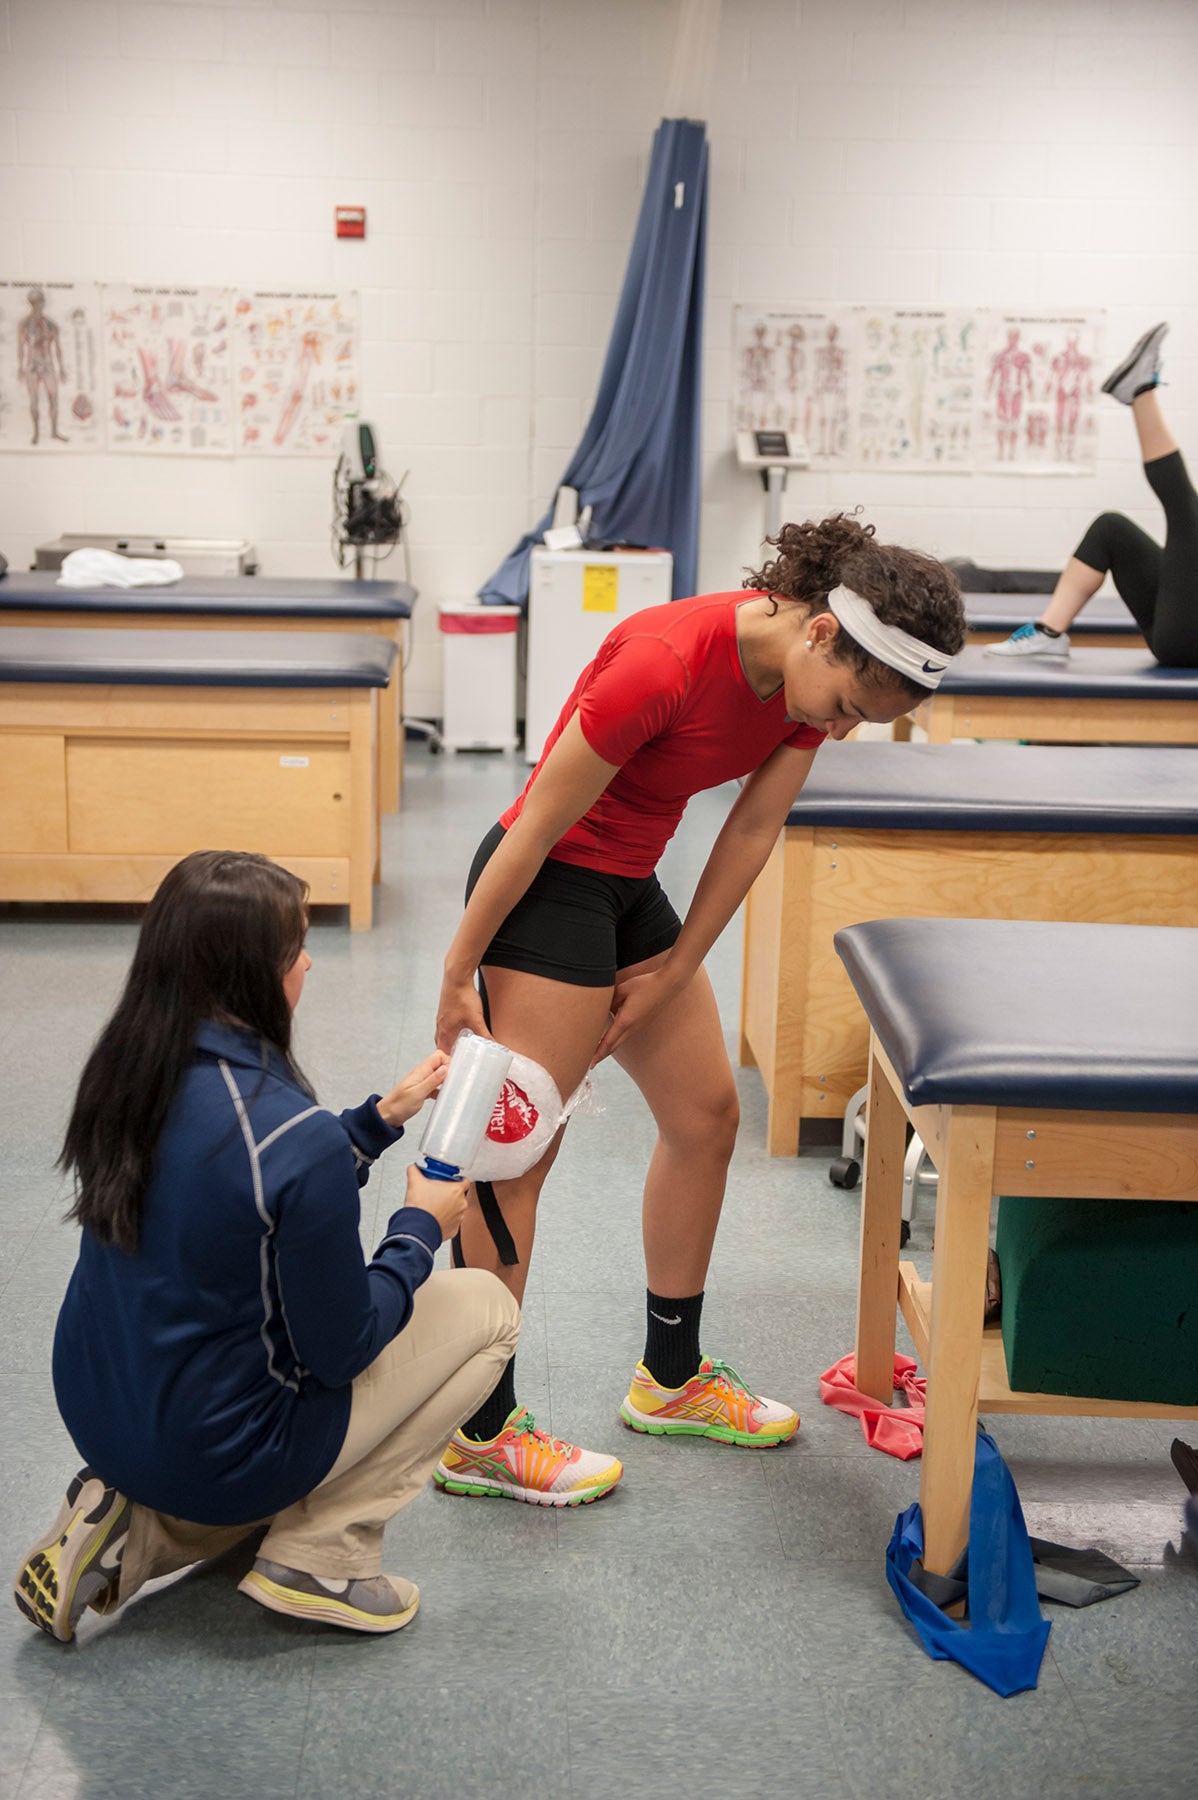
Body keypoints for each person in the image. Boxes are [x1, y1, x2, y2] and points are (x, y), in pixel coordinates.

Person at [431, 514, 966, 1505]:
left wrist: (677, 966)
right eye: (848, 707)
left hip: (627, 885)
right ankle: (480, 1432)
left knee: (706, 1117)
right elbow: (536, 822)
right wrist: (458, 970)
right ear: (819, 633)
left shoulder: (803, 688)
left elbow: (753, 825)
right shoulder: (664, 662)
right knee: (516, 1162)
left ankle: (670, 1379)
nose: (840, 730)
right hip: (545, 886)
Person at [13, 851, 520, 1643]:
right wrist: (419, 1228)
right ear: (254, 975)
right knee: (486, 1309)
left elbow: (240, 1190)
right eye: (297, 948)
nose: (309, 963)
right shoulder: (288, 1133)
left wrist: (375, 1121)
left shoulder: (125, 1076)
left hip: (99, 1412)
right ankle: (321, 1556)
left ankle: (133, 1526)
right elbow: (342, 1348)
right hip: (218, 1452)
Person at [986, 323, 1198, 667]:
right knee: (1111, 530)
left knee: (1186, 513)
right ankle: (1048, 634)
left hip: (1187, 643)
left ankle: (1140, 391)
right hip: (1183, 636)